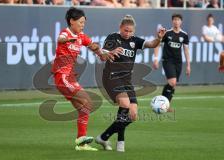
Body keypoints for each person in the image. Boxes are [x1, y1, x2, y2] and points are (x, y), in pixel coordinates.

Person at [95, 15, 166, 152]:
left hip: (127, 79)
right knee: (125, 104)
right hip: (112, 77)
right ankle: (120, 142)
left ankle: (104, 137)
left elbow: (152, 44)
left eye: (130, 31)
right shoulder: (112, 38)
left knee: (132, 115)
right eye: (125, 30)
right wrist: (110, 52)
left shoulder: (135, 41)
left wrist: (159, 38)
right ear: (120, 28)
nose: (127, 34)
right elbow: (102, 55)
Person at [52, 7, 118, 151]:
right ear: (72, 21)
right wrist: (68, 39)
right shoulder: (66, 33)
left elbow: (93, 46)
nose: (83, 25)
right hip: (62, 77)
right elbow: (60, 39)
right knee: (87, 101)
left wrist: (103, 53)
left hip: (70, 78)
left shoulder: (81, 36)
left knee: (85, 108)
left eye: (84, 23)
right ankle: (81, 141)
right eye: (81, 22)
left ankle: (82, 143)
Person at [153, 13, 191, 110]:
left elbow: (186, 50)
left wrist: (188, 65)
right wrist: (156, 59)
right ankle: (161, 103)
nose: (176, 21)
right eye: (174, 19)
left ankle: (166, 105)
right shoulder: (167, 33)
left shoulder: (184, 35)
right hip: (167, 60)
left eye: (178, 20)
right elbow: (157, 44)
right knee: (172, 82)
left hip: (178, 62)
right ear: (172, 21)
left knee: (173, 85)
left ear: (181, 22)